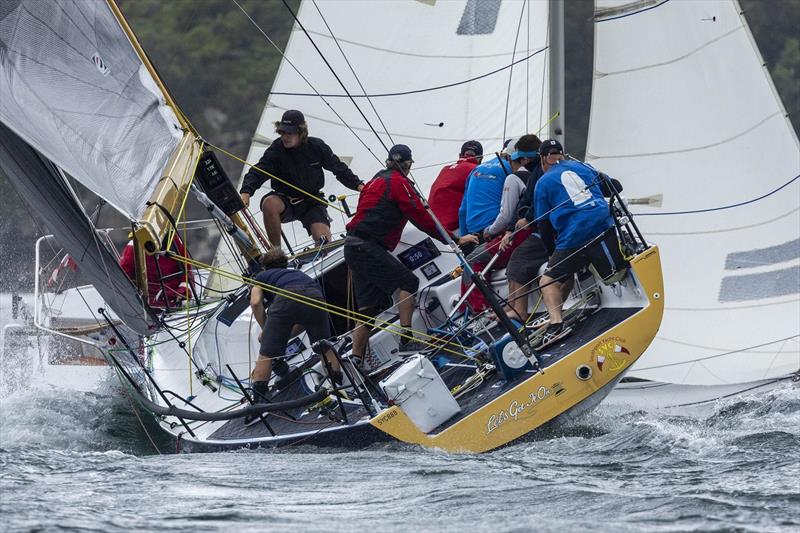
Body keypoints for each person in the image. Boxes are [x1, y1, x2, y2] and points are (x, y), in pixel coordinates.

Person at [344, 144, 477, 361]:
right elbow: (422, 218)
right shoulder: (399, 183)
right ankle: (406, 340)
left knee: (368, 309)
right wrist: (454, 239)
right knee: (409, 282)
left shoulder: (373, 183)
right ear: (408, 165)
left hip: (352, 246)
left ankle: (356, 359)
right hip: (367, 246)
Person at [534, 139, 626, 348]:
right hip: (604, 227)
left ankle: (557, 323)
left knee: (548, 279)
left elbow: (543, 225)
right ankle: (555, 312)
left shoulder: (543, 182)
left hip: (575, 237)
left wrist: (551, 253)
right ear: (562, 154)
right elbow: (616, 188)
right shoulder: (581, 166)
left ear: (543, 159)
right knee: (565, 273)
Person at [239, 110, 364, 248]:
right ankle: (276, 252)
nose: (285, 137)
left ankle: (322, 253)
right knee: (269, 203)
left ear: (301, 132)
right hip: (285, 200)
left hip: (312, 201)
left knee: (324, 243)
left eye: (290, 133)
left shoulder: (316, 147)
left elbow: (339, 169)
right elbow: (258, 171)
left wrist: (359, 186)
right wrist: (246, 192)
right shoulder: (276, 150)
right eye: (282, 132)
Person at [460, 135, 541, 314]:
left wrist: (487, 232)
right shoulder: (538, 175)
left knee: (471, 260)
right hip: (541, 232)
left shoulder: (511, 178)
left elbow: (504, 216)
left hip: (515, 234)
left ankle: (479, 312)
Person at [249, 248, 342, 402]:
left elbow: (255, 302)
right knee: (323, 346)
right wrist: (280, 335)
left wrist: (267, 333)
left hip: (286, 298)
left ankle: (257, 403)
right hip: (316, 298)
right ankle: (336, 386)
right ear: (285, 264)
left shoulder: (261, 276)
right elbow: (302, 321)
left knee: (266, 353)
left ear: (265, 267)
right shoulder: (299, 274)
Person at [457, 139, 516, 237]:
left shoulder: (477, 168)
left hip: (472, 233)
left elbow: (463, 210)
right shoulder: (512, 168)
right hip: (495, 231)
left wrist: (464, 238)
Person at [119, 234, 193, 308]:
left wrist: (183, 292)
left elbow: (187, 272)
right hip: (144, 307)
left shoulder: (175, 242)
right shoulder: (134, 246)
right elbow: (123, 277)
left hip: (174, 302)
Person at [428, 140, 483, 234]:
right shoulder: (476, 170)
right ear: (480, 158)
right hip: (451, 229)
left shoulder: (445, 169)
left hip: (430, 224)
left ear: (460, 155)